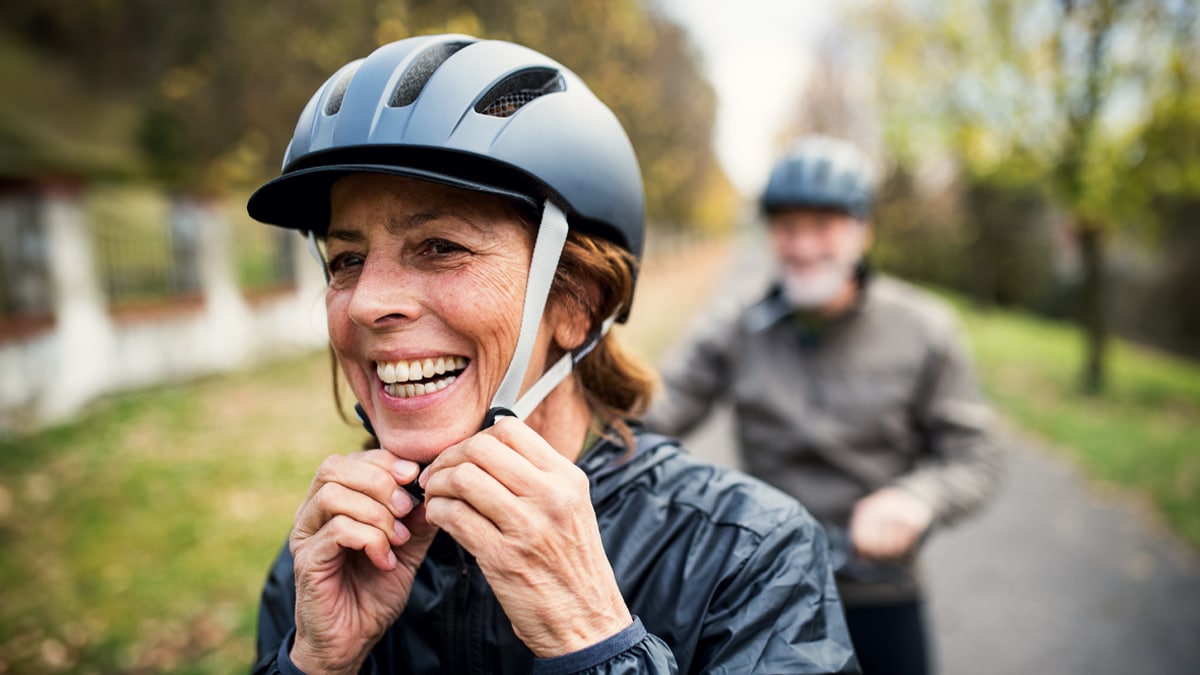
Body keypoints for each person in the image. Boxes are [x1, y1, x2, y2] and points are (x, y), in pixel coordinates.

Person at [245, 35, 859, 674]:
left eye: (439, 247)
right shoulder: (321, 561)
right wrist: (315, 664)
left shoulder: (752, 557)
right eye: (347, 260)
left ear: (577, 304)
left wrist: (592, 638)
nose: (368, 303)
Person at [644, 135, 1003, 675]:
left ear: (864, 231)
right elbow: (654, 411)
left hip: (881, 586)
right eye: (789, 227)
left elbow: (976, 455)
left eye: (824, 225)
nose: (804, 245)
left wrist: (916, 498)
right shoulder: (737, 325)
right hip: (767, 585)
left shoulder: (925, 329)